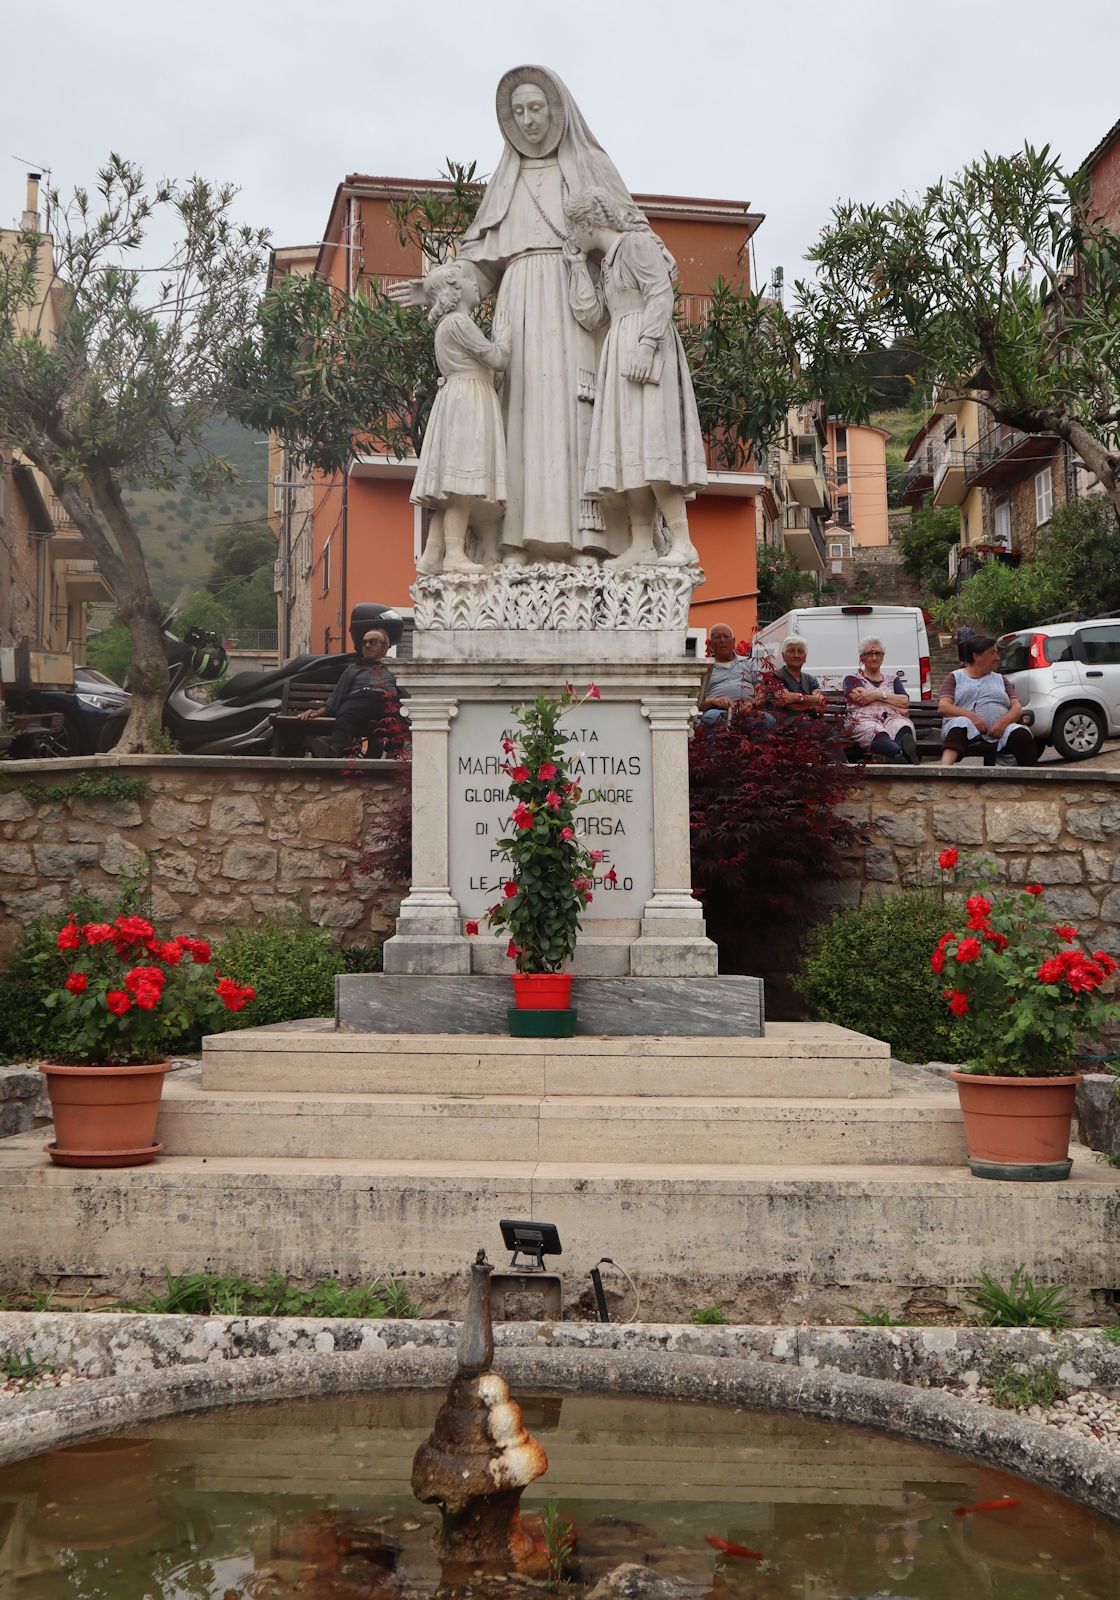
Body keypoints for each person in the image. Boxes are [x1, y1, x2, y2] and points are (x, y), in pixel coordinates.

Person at [387, 66, 640, 563]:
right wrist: (435, 286)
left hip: (573, 306)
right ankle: (514, 541)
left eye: (536, 108)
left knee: (577, 421)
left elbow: (626, 236)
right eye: (518, 111)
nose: (528, 120)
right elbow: (479, 268)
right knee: (519, 423)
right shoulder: (506, 181)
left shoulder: (591, 168)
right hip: (518, 307)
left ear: (557, 111)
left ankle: (588, 543)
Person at [563, 186, 706, 567]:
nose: (572, 236)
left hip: (646, 345)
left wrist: (647, 344)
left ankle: (682, 541)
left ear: (588, 222)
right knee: (632, 451)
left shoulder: (636, 244)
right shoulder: (608, 262)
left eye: (573, 227)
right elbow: (591, 316)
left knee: (654, 444)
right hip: (619, 350)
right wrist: (578, 265)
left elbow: (660, 293)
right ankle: (642, 542)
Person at [412, 262, 508, 575]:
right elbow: (496, 357)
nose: (475, 282)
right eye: (469, 278)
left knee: (451, 490)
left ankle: (432, 555)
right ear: (455, 290)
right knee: (461, 486)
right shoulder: (459, 323)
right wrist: (506, 336)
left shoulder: (448, 325)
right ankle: (454, 553)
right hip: (468, 400)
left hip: (458, 397)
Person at [938, 634, 1037, 765]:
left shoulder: (1001, 679)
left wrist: (1003, 723)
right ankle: (944, 772)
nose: (997, 658)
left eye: (997, 653)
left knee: (1021, 733)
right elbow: (944, 707)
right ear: (976, 656)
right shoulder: (955, 677)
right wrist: (972, 718)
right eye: (992, 653)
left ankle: (1033, 780)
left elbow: (1016, 707)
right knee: (961, 723)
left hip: (999, 732)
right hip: (965, 731)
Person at [299, 628, 398, 757]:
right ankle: (332, 751)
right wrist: (318, 712)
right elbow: (338, 694)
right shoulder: (353, 669)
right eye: (364, 643)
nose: (367, 645)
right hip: (358, 702)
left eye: (372, 642)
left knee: (396, 716)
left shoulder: (395, 668)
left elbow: (407, 693)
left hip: (385, 702)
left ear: (385, 648)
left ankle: (394, 758)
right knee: (346, 712)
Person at [843, 638, 919, 762]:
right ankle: (901, 754)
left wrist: (876, 695)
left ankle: (899, 755)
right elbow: (860, 699)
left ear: (883, 657)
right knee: (874, 730)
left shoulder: (893, 679)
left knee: (903, 725)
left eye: (877, 653)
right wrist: (892, 703)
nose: (874, 658)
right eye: (869, 654)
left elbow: (905, 701)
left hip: (891, 718)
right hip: (863, 719)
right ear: (862, 657)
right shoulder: (853, 678)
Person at [698, 623, 760, 726]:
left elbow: (761, 688)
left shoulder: (749, 662)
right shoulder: (704, 669)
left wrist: (754, 702)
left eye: (726, 636)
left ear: (733, 641)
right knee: (712, 717)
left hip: (750, 710)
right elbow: (696, 703)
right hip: (718, 712)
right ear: (710, 644)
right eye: (717, 637)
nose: (722, 640)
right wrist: (714, 701)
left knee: (768, 720)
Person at [766, 635, 828, 717]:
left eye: (800, 651)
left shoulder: (810, 679)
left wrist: (797, 698)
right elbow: (784, 698)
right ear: (783, 655)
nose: (796, 655)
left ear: (805, 657)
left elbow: (820, 700)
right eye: (791, 651)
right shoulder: (774, 676)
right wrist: (810, 700)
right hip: (784, 724)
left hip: (812, 723)